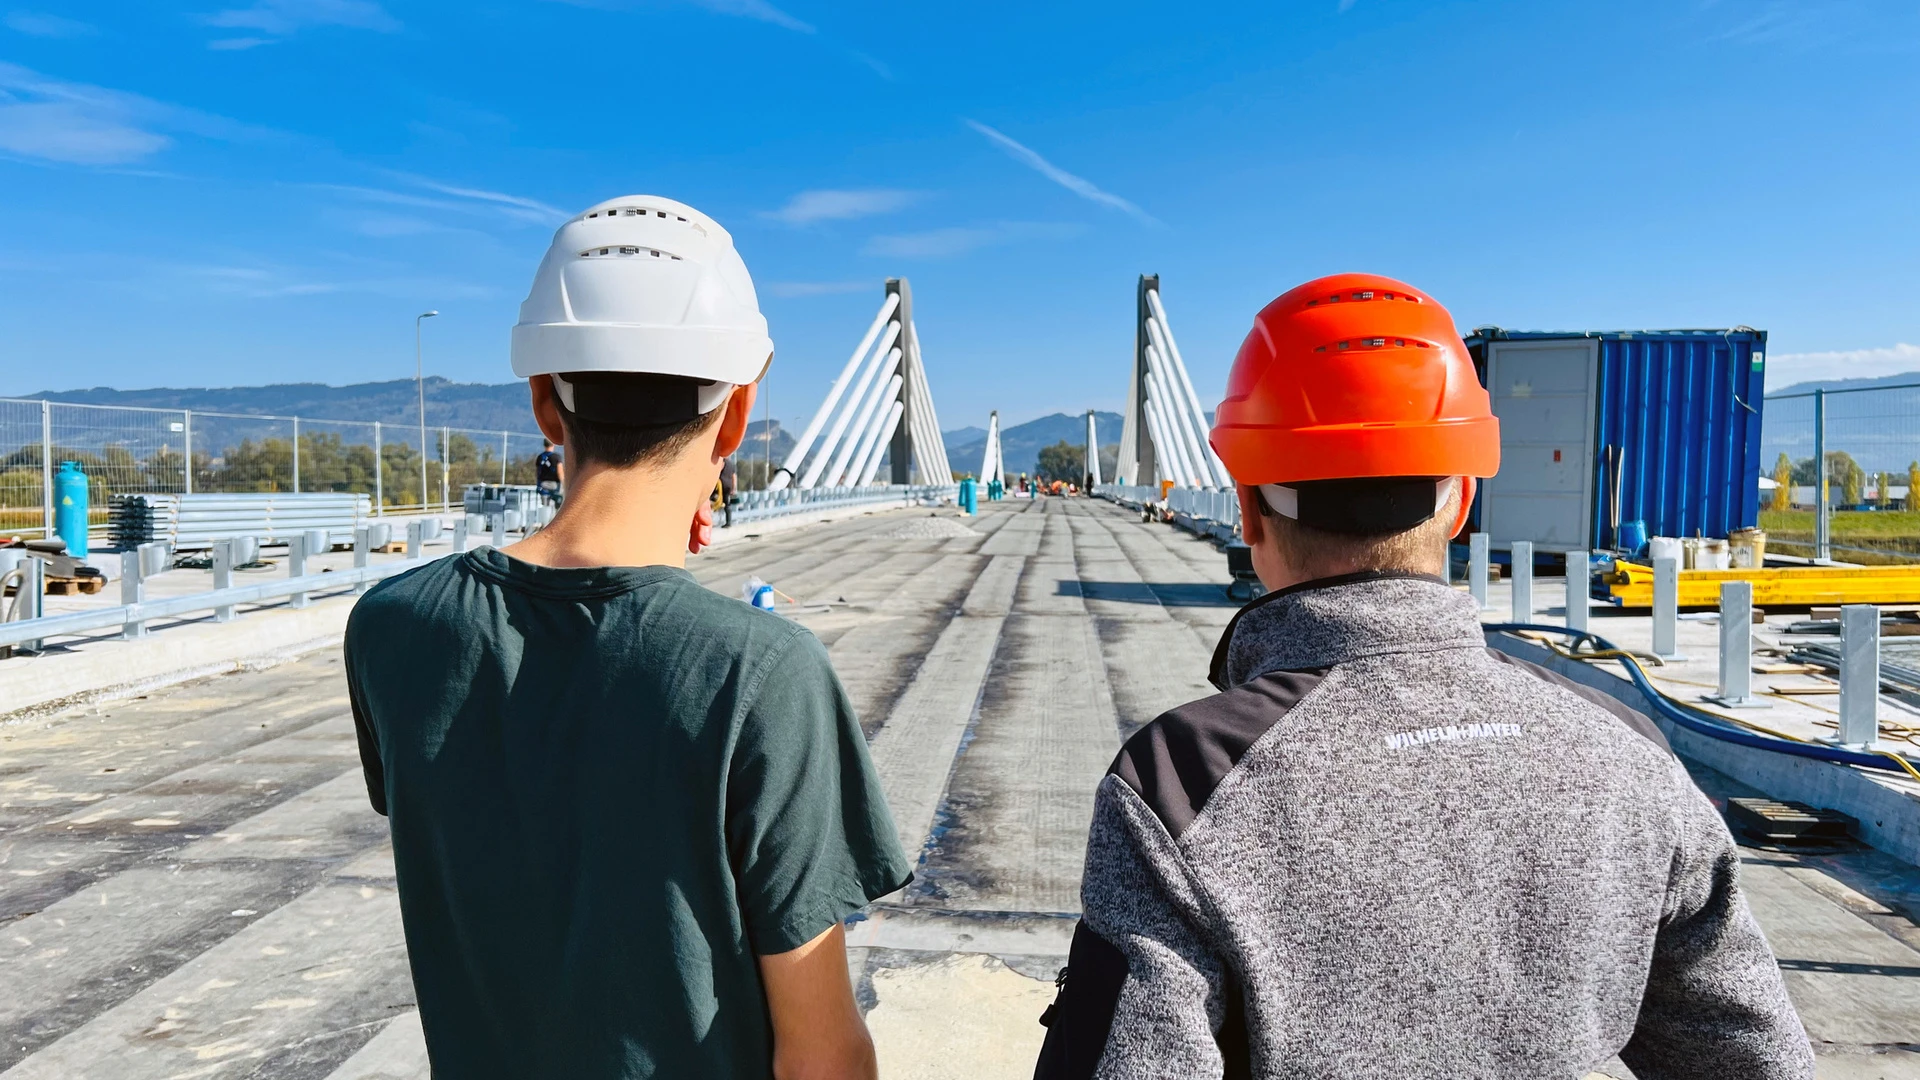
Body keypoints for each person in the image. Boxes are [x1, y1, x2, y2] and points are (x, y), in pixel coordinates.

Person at [1035, 273, 1811, 1080]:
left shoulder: (1179, 785)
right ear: (1463, 498)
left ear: (1248, 509)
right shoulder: (1630, 754)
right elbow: (1759, 1061)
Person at [346, 196, 911, 1079]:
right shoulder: (762, 671)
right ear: (735, 416)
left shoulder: (392, 627)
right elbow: (821, 1050)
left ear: (543, 402)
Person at [534, 438, 564, 506]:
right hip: (554, 485)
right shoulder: (557, 457)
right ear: (553, 444)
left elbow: (537, 472)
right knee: (557, 504)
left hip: (543, 484)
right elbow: (560, 472)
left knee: (545, 506)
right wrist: (563, 484)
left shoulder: (540, 457)